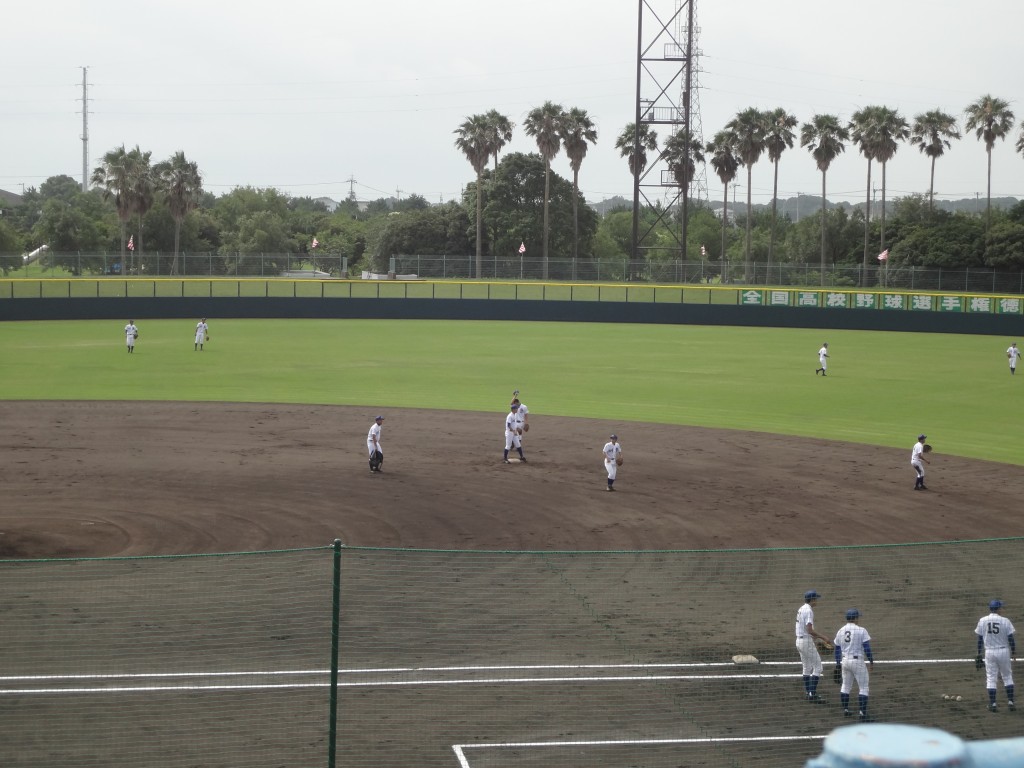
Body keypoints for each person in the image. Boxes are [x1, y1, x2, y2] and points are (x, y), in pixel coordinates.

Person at [833, 607, 874, 721]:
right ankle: (862, 714)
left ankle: (846, 710)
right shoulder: (861, 630)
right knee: (864, 687)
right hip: (857, 662)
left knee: (845, 686)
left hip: (845, 661)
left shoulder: (840, 631)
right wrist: (871, 661)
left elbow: (837, 649)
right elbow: (867, 648)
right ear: (855, 618)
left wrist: (837, 663)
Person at [975, 599, 1016, 712]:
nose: (1002, 609)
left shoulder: (983, 620)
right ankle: (1011, 702)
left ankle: (993, 704)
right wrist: (1014, 652)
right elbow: (1011, 639)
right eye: (1001, 607)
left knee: (991, 678)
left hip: (989, 652)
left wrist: (978, 652)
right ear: (997, 609)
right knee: (1007, 676)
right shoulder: (1005, 621)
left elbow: (979, 639)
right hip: (1003, 651)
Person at [795, 590, 831, 703]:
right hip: (805, 642)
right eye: (816, 599)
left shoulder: (801, 608)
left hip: (799, 641)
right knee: (818, 667)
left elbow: (805, 628)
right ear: (812, 600)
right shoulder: (809, 611)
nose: (817, 601)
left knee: (806, 667)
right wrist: (823, 637)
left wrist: (813, 637)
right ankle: (812, 693)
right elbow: (810, 629)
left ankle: (808, 692)